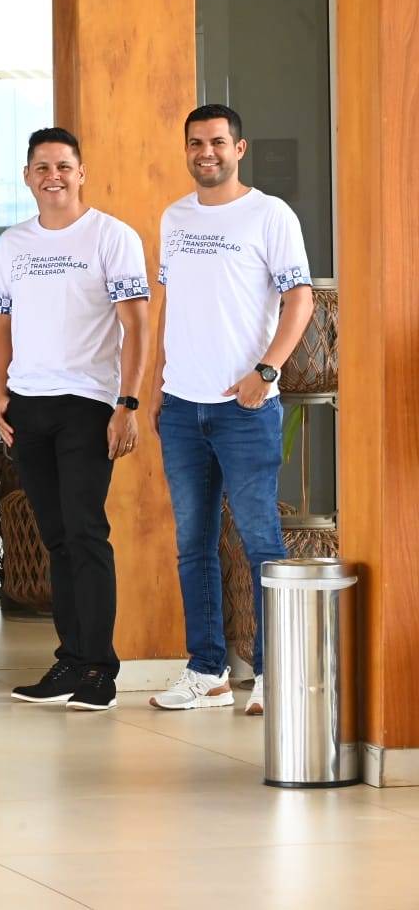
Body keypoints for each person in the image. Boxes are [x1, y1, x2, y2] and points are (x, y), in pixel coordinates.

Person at [148, 104, 313, 716]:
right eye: (196, 143)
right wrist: (156, 383)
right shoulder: (174, 217)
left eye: (217, 142)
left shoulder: (270, 214)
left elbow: (300, 299)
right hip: (181, 407)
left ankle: (274, 673)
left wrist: (266, 371)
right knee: (193, 545)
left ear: (239, 149)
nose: (206, 153)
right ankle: (207, 671)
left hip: (246, 407)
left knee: (260, 541)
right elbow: (171, 305)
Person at [0, 128, 150, 713]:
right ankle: (72, 660)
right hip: (29, 405)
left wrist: (127, 404)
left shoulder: (112, 235)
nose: (52, 176)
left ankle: (101, 669)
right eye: (41, 167)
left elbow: (137, 324)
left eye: (62, 166)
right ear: (27, 177)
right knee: (55, 536)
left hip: (88, 403)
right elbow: (1, 327)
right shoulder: (13, 244)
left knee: (85, 532)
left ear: (81, 173)